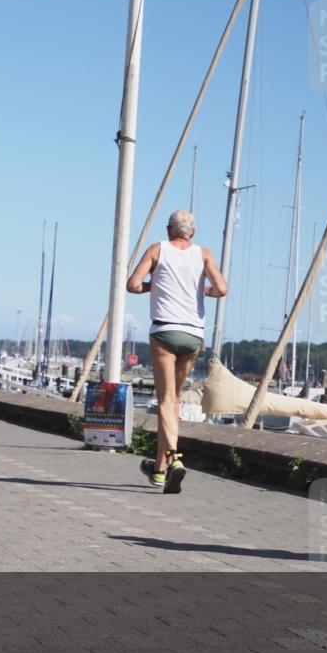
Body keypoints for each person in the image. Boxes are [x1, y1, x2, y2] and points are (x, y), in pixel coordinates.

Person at [126, 210, 226, 494]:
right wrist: (200, 291)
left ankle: (174, 458)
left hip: (165, 331)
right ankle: (158, 470)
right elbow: (221, 288)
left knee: (166, 402)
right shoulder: (204, 254)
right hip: (193, 336)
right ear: (191, 232)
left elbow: (132, 285)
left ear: (170, 230)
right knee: (174, 402)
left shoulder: (157, 249)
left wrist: (152, 285)